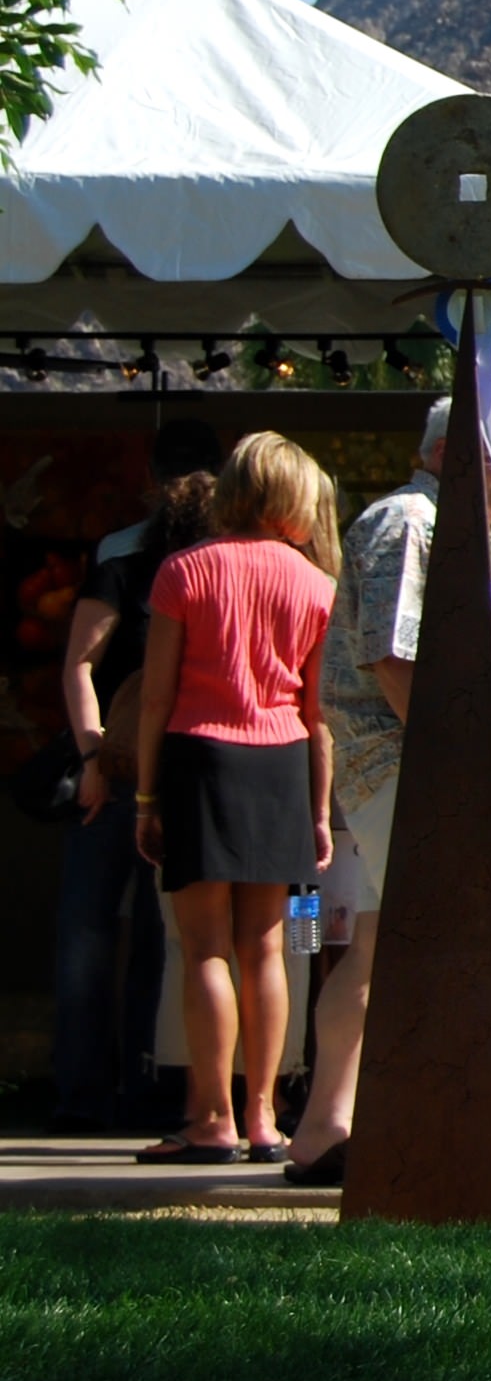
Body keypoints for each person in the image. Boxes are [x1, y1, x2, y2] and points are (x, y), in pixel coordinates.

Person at [129, 434, 340, 1165]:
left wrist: (146, 797)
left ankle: (211, 1118)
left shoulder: (183, 571)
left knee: (204, 951)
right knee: (269, 949)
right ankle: (263, 1118)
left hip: (199, 759)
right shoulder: (318, 586)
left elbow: (156, 696)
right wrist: (318, 812)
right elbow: (320, 718)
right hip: (281, 763)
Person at [283, 399, 448, 1187]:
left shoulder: (428, 519)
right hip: (397, 763)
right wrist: (454, 755)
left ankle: (326, 1127)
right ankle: (369, 1122)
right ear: (458, 453)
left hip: (383, 765)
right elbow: (391, 654)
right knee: (420, 943)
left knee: (378, 949)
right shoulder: (410, 520)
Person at [49, 431, 223, 1131]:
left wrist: (93, 755)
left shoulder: (140, 553)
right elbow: (83, 665)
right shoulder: (142, 554)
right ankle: (121, 1090)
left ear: (153, 478)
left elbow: (78, 664)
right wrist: (96, 755)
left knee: (114, 930)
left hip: (140, 768)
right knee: (138, 933)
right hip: (149, 766)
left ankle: (110, 1091)